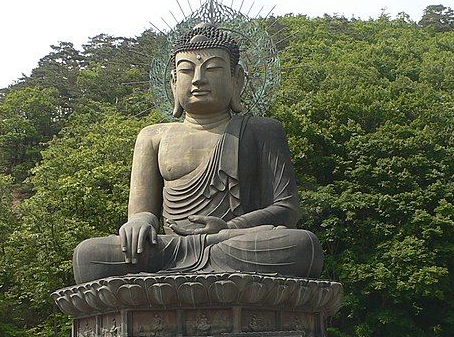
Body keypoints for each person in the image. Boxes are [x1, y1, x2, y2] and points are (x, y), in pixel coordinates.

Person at [72, 24, 323, 284]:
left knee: (302, 245)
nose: (198, 79)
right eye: (186, 70)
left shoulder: (262, 130)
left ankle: (179, 277)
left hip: (232, 241)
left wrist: (229, 228)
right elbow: (141, 211)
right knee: (89, 255)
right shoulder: (153, 136)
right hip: (170, 247)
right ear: (173, 82)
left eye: (212, 68)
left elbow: (286, 208)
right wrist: (139, 222)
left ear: (237, 79)